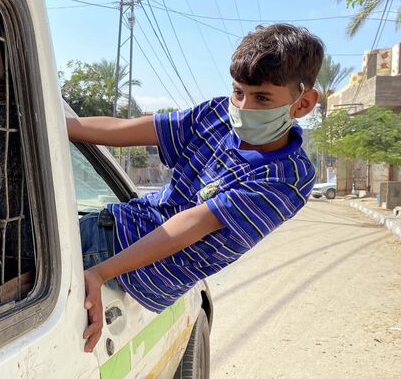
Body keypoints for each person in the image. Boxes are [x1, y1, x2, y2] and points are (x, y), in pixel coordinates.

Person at [66, 24, 323, 352]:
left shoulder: (288, 178)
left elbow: (192, 225)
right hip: (107, 234)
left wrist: (101, 272)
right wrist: (58, 125)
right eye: (238, 92)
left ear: (303, 103)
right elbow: (127, 129)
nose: (243, 107)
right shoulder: (216, 114)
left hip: (115, 260)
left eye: (262, 98)